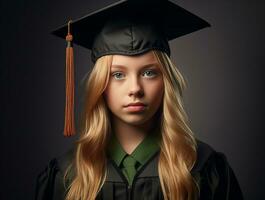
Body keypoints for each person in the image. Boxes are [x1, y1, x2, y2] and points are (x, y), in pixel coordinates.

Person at [35, 0, 244, 199]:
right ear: (100, 85)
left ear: (166, 82)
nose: (135, 89)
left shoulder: (205, 169)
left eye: (149, 73)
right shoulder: (67, 173)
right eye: (118, 75)